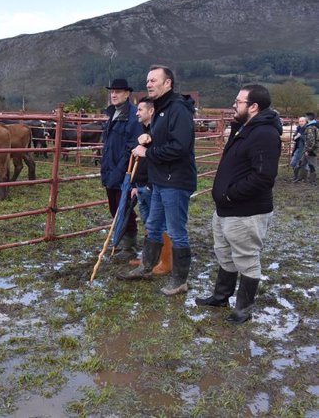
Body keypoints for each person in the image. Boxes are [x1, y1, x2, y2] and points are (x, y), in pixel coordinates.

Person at [196, 85, 282, 324]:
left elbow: (264, 176)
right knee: (224, 253)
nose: (234, 105)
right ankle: (221, 296)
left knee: (246, 258)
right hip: (226, 209)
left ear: (254, 106)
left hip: (246, 211)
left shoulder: (264, 133)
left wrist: (231, 195)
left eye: (239, 101)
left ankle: (243, 309)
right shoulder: (245, 128)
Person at [119, 65, 197, 297]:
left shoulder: (178, 109)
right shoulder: (162, 109)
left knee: (175, 230)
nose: (149, 84)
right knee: (153, 225)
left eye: (154, 80)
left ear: (168, 83)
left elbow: (181, 146)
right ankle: (147, 266)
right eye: (148, 80)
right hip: (161, 179)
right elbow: (167, 139)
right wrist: (149, 137)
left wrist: (148, 153)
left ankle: (180, 280)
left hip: (176, 180)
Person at [128, 97, 172, 274]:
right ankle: (149, 258)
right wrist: (134, 184)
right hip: (141, 184)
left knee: (159, 223)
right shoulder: (144, 130)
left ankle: (166, 261)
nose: (137, 113)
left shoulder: (158, 131)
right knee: (149, 222)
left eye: (140, 109)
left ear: (151, 111)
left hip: (152, 184)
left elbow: (157, 158)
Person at [100, 78, 143, 255]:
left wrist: (121, 170)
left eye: (118, 92)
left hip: (125, 170)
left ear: (127, 94)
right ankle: (121, 239)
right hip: (110, 168)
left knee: (124, 206)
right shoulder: (113, 114)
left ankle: (129, 244)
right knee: (114, 206)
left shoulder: (133, 116)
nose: (114, 95)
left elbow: (131, 147)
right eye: (112, 92)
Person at [290, 116, 307, 182]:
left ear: (305, 122)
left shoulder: (308, 128)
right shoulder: (298, 128)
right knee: (293, 163)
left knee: (303, 164)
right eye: (300, 121)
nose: (301, 122)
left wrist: (300, 136)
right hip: (297, 148)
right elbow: (294, 137)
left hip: (304, 149)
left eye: (302, 121)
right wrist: (296, 136)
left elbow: (308, 139)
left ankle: (301, 178)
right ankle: (296, 176)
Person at [303, 112, 318, 185]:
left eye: (305, 117)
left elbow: (311, 140)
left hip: (311, 149)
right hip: (314, 148)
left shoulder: (310, 127)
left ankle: (312, 181)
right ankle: (303, 177)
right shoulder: (315, 126)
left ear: (307, 118)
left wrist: (308, 150)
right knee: (304, 162)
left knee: (311, 164)